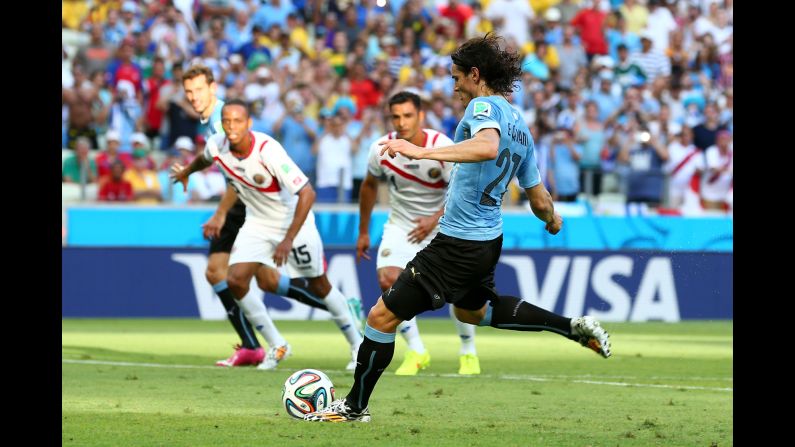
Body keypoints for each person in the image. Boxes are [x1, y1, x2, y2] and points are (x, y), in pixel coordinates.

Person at [304, 34, 611, 423]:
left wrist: (422, 150)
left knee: (380, 319)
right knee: (474, 312)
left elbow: (485, 148)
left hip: (457, 242)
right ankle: (570, 327)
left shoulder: (483, 107)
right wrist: (551, 219)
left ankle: (353, 407)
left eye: (456, 78)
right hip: (487, 241)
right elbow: (538, 198)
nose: (454, 87)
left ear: (475, 75)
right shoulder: (521, 126)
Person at [181, 65, 363, 369]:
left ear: (249, 123)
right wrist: (185, 172)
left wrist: (288, 239)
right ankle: (278, 345)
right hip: (258, 223)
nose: (231, 127)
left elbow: (307, 193)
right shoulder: (217, 143)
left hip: (295, 223)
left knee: (318, 285)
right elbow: (205, 157)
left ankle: (357, 344)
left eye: (238, 121)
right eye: (227, 122)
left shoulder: (268, 150)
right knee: (236, 280)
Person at [357, 91, 481, 376]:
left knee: (459, 293)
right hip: (401, 225)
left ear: (421, 116)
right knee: (388, 279)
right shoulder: (380, 148)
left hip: (445, 226)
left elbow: (462, 191)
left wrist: (434, 218)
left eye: (408, 115)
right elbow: (368, 186)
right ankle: (416, 350)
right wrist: (363, 231)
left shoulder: (442, 147)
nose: (401, 122)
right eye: (396, 116)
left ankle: (468, 352)